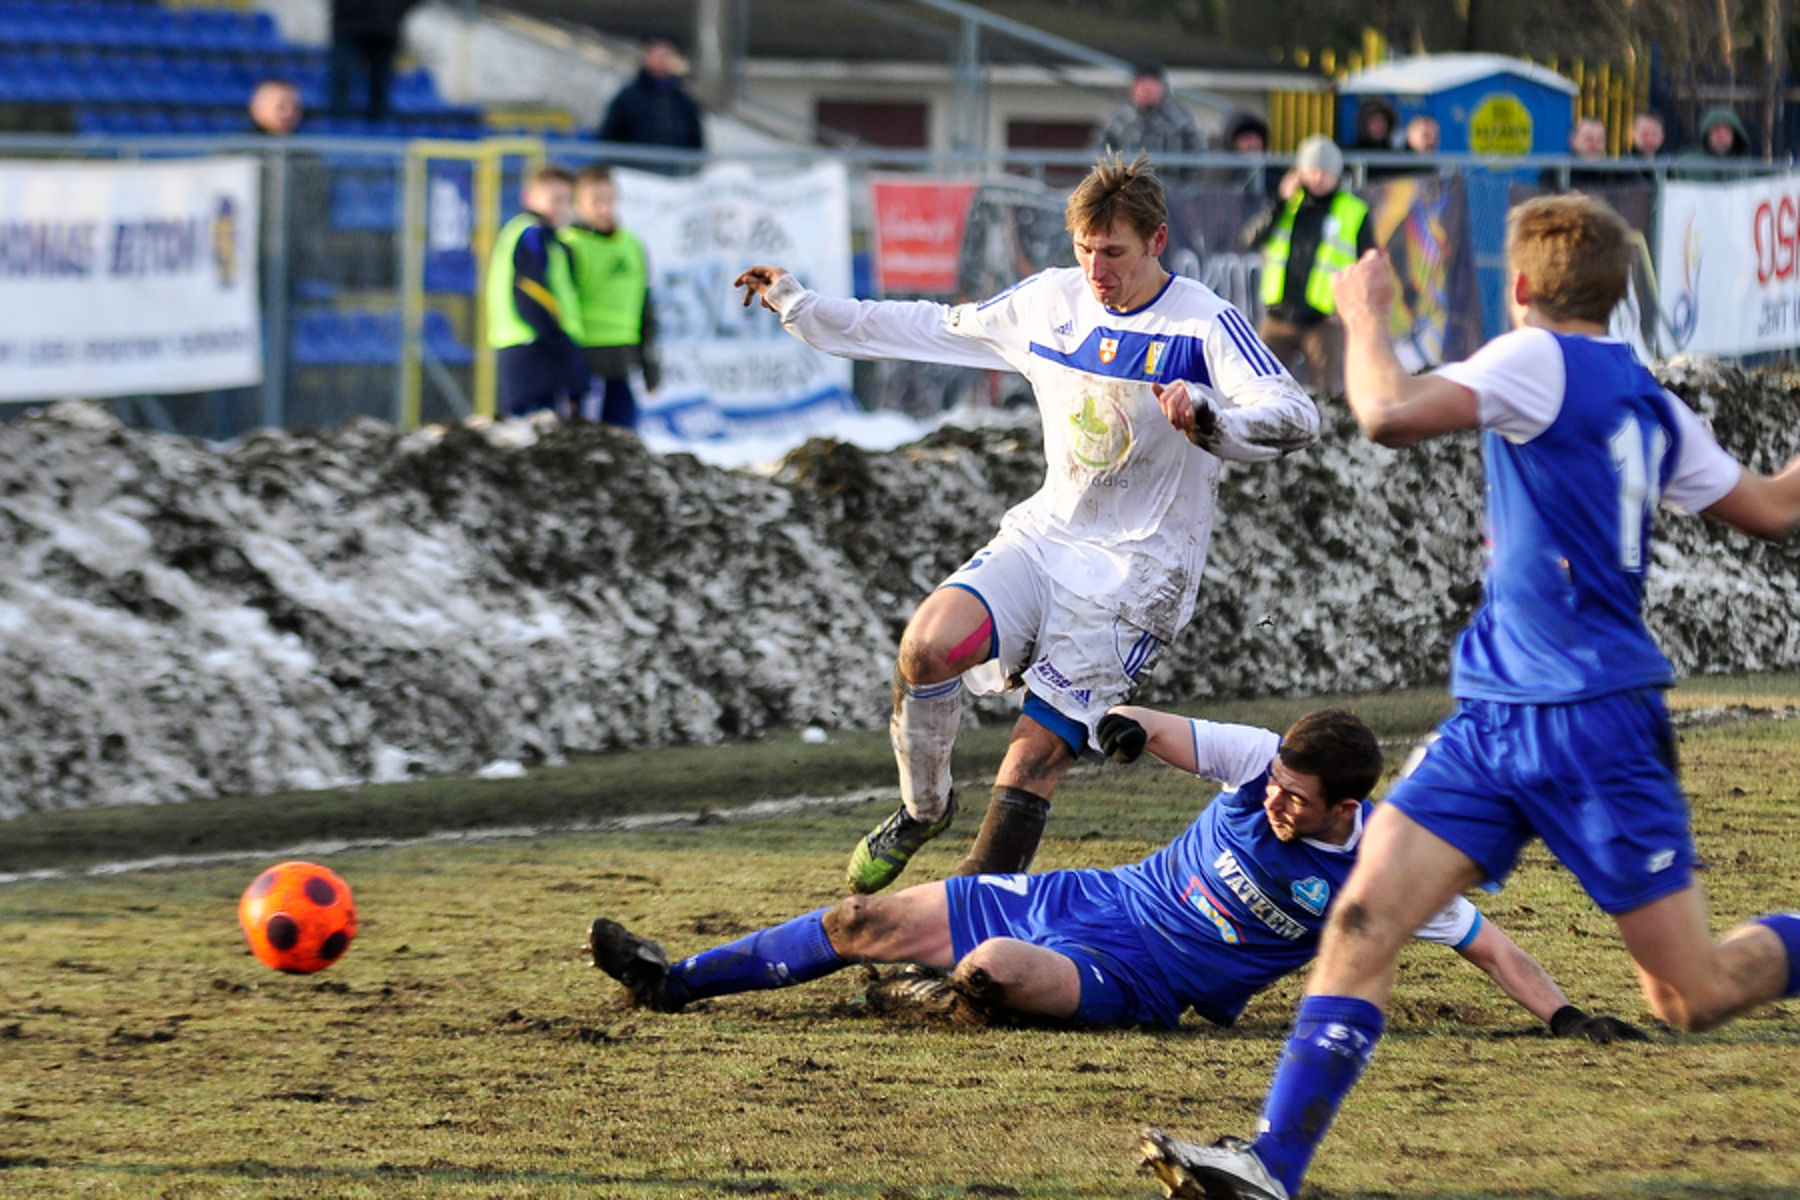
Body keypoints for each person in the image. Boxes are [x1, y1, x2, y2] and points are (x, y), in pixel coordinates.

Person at [1139, 192, 1800, 1200]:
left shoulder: (1536, 358)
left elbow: (1387, 412)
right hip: (1494, 723)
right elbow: (1774, 509)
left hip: (1593, 722)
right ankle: (1272, 1164)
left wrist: (1364, 310)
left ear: (1523, 287)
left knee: (1685, 995)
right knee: (1361, 920)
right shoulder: (1646, 394)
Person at [733, 154, 1318, 896]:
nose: (1097, 270)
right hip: (1046, 539)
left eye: (1114, 253)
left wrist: (1214, 422)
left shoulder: (1202, 321)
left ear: (1157, 241)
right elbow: (932, 326)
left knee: (1033, 757)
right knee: (927, 645)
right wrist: (801, 306)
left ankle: (962, 929)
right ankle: (923, 809)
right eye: (1084, 250)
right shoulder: (1050, 302)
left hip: (1139, 576)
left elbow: (1296, 414)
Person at [588, 705, 1644, 1043]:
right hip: (1088, 897)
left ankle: (938, 999)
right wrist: (1129, 730)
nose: (1275, 800)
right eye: (1274, 782)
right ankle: (673, 978)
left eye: (1295, 799)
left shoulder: (1381, 866)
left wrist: (1564, 1019)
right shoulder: (1258, 764)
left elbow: (1487, 941)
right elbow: (1172, 731)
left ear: (1345, 807)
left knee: (995, 970)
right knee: (858, 917)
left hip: (1142, 985)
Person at [1245, 135, 1377, 393]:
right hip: (1279, 316)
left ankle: (1320, 434)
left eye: (1325, 172)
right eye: (1312, 170)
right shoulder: (1286, 204)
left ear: (1337, 174)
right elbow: (1252, 239)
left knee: (1324, 393)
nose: (1318, 177)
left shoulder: (1353, 210)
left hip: (1324, 320)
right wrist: (1280, 202)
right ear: (1299, 171)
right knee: (1259, 387)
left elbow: (1367, 263)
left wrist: (1350, 306)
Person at [484, 165, 589, 419]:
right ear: (529, 197)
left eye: (566, 200)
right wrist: (556, 337)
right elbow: (530, 289)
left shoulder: (541, 236)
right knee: (539, 430)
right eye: (554, 199)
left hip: (530, 342)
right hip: (534, 344)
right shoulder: (533, 233)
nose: (560, 207)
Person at [560, 165, 660, 429]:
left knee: (624, 441)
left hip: (622, 360)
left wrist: (648, 361)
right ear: (578, 204)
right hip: (584, 361)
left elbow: (645, 305)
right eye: (595, 202)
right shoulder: (568, 245)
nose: (604, 209)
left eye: (609, 200)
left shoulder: (632, 245)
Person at [597, 36, 705, 170]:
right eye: (658, 55)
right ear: (647, 58)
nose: (662, 61)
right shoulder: (627, 98)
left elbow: (696, 142)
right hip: (636, 175)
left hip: (675, 179)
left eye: (667, 55)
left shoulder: (684, 101)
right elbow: (609, 137)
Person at [1090, 63, 1207, 181]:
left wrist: (1184, 184)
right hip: (1126, 189)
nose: (1146, 90)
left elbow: (1198, 151)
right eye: (1142, 85)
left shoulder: (1180, 117)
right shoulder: (1118, 118)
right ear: (1134, 88)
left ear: (1162, 87)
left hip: (1170, 189)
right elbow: (1098, 150)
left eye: (1152, 85)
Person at [328, 0, 420, 122]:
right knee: (342, 77)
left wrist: (394, 10)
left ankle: (378, 123)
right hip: (348, 25)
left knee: (380, 86)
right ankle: (338, 123)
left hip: (384, 28)